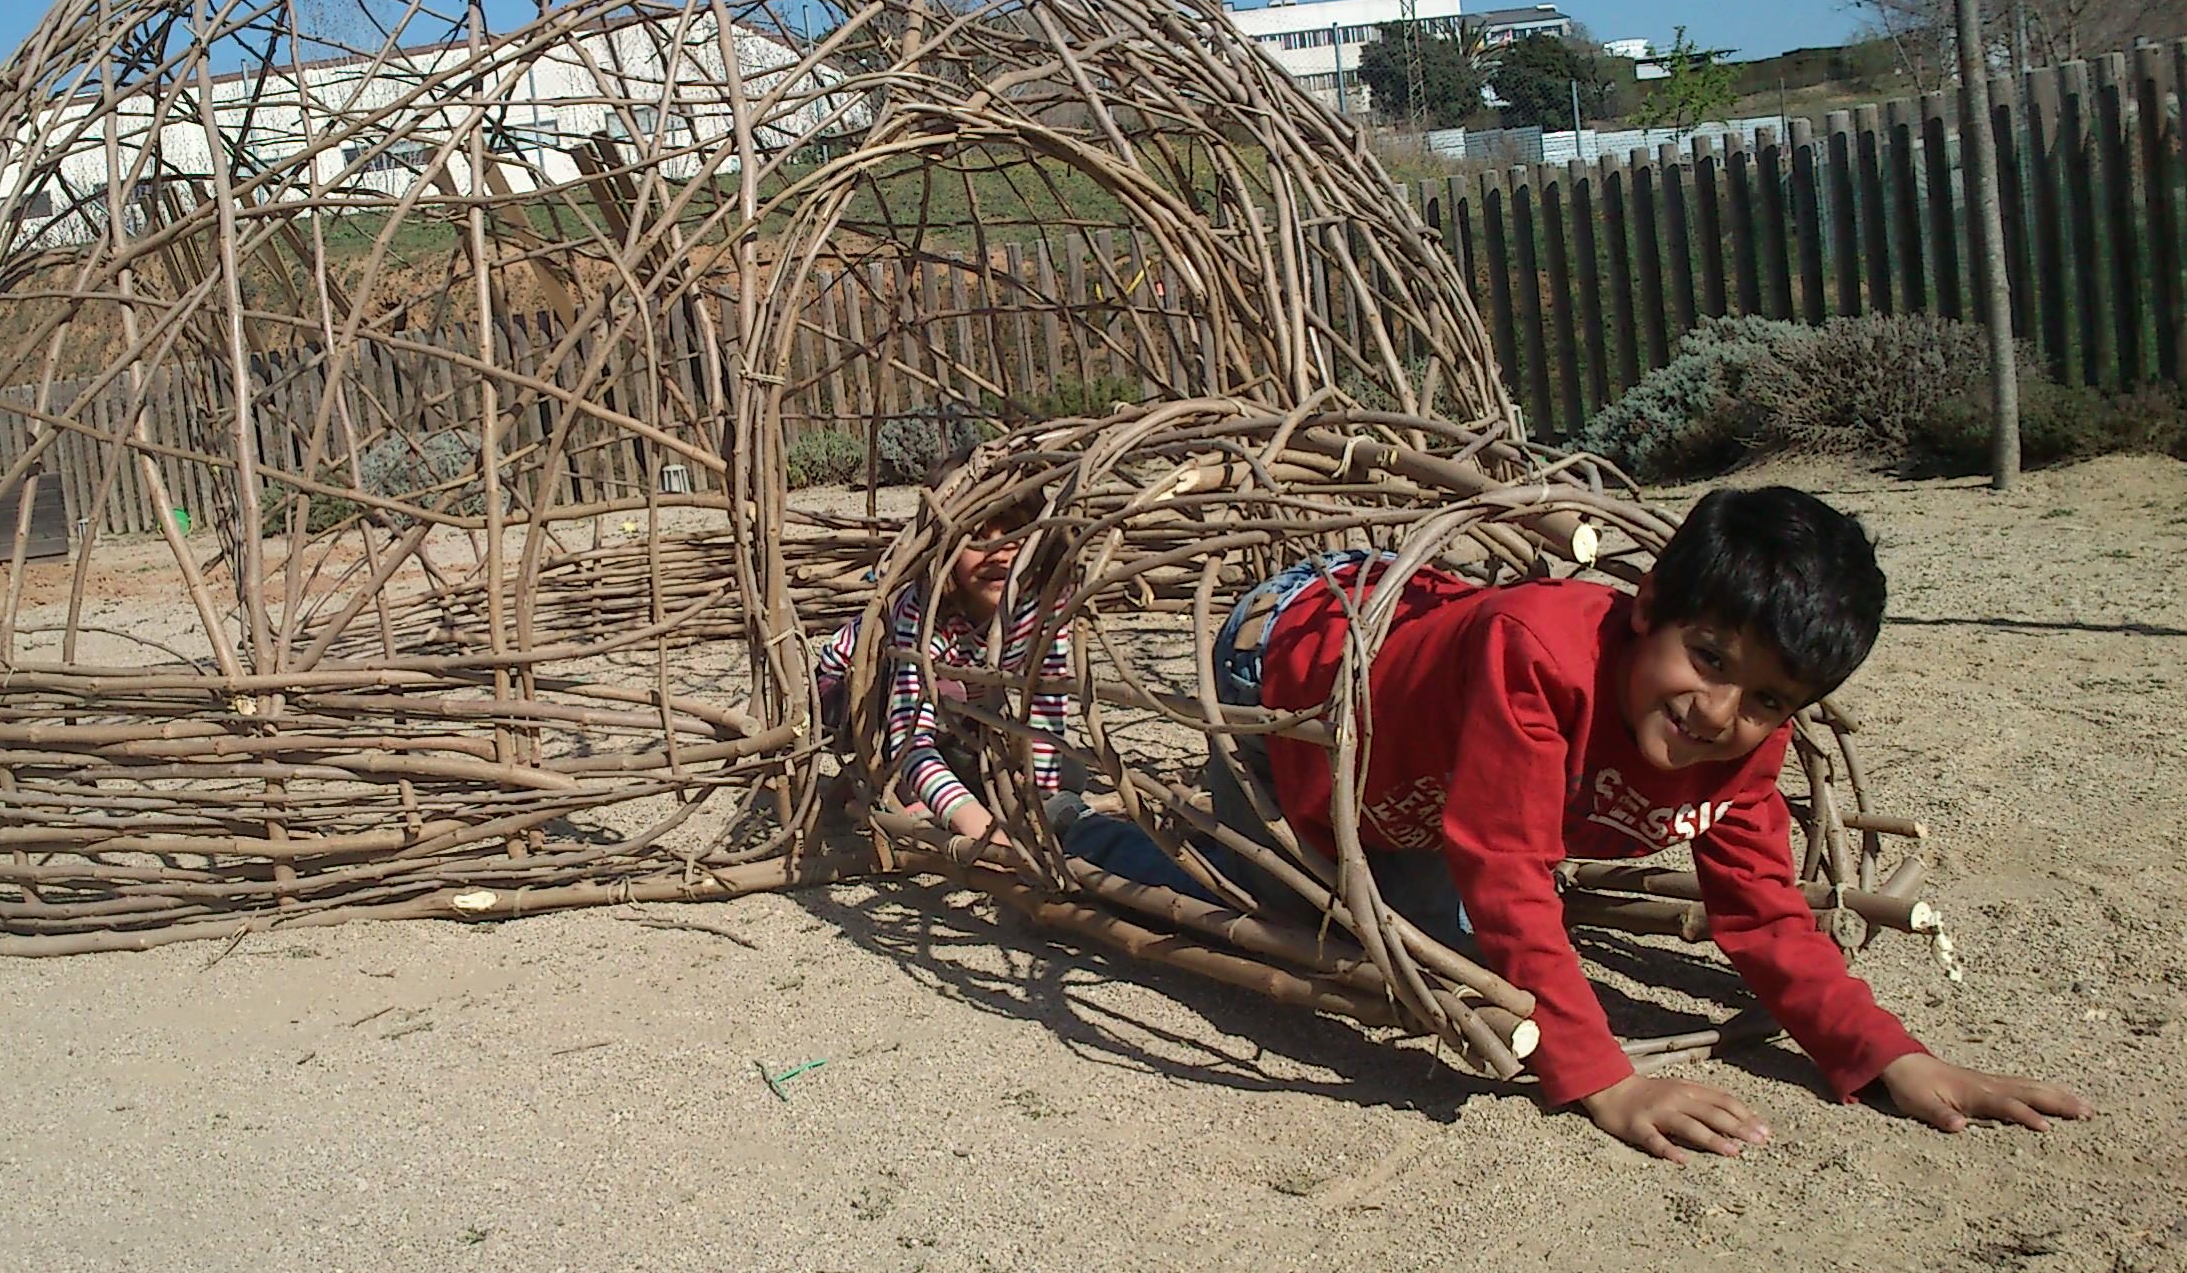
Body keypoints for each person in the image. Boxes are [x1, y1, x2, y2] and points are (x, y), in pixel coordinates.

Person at [1211, 486, 2094, 1164]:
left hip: (1425, 744)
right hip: (1297, 653)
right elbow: (1509, 868)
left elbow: (1761, 911)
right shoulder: (1536, 659)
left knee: (1463, 939)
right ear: (1646, 607)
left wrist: (1889, 1056)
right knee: (1295, 903)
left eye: (1767, 699)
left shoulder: (1741, 742)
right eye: (1708, 658)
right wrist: (1606, 1080)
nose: (1719, 712)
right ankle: (1109, 835)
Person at [815, 494, 1208, 895]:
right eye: (977, 537)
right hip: (857, 695)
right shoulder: (922, 610)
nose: (998, 551)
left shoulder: (1042, 604)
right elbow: (910, 739)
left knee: (1064, 773)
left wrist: (1037, 801)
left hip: (968, 702)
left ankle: (947, 779)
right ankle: (887, 779)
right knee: (940, 708)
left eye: (1015, 534)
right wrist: (981, 829)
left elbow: (1045, 705)